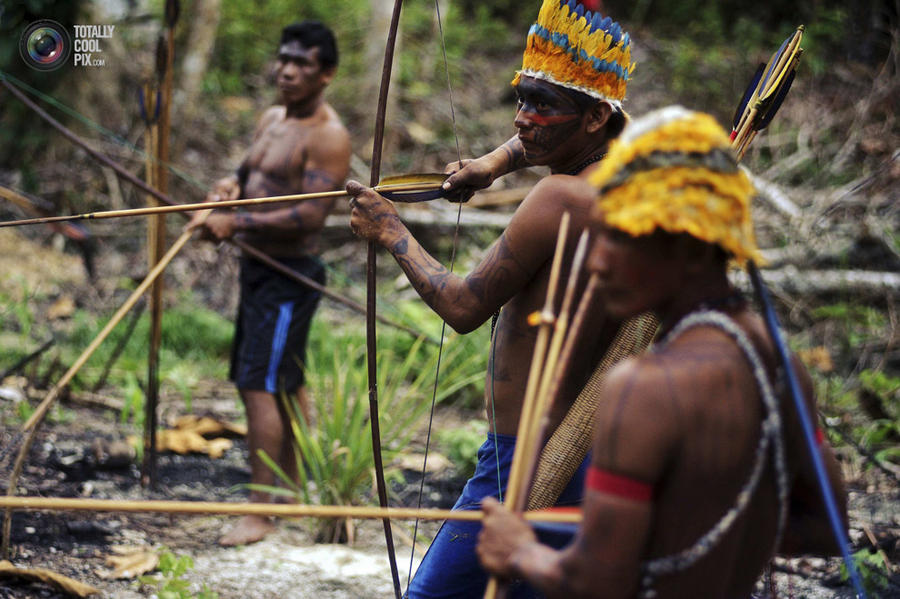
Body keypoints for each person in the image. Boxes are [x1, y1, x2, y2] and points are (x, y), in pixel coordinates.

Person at [476, 106, 848, 598]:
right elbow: (827, 527)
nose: (600, 260)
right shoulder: (780, 363)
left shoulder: (642, 389)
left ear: (691, 248)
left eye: (622, 237)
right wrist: (691, 531)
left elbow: (597, 582)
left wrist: (520, 550)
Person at [347, 2, 635, 596]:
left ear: (595, 117)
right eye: (520, 100)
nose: (524, 119)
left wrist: (391, 232)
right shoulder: (632, 178)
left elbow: (463, 307)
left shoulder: (559, 198)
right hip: (589, 448)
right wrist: (493, 164)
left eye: (543, 106)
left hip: (525, 458)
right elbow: (540, 132)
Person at [188, 20, 351, 546]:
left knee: (260, 384)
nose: (286, 70)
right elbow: (249, 172)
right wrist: (229, 190)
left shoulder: (328, 135)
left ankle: (261, 512)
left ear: (325, 74)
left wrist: (236, 223)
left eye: (301, 63)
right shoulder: (272, 118)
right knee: (283, 380)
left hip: (289, 277)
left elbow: (311, 215)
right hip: (257, 270)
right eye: (284, 59)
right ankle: (288, 492)